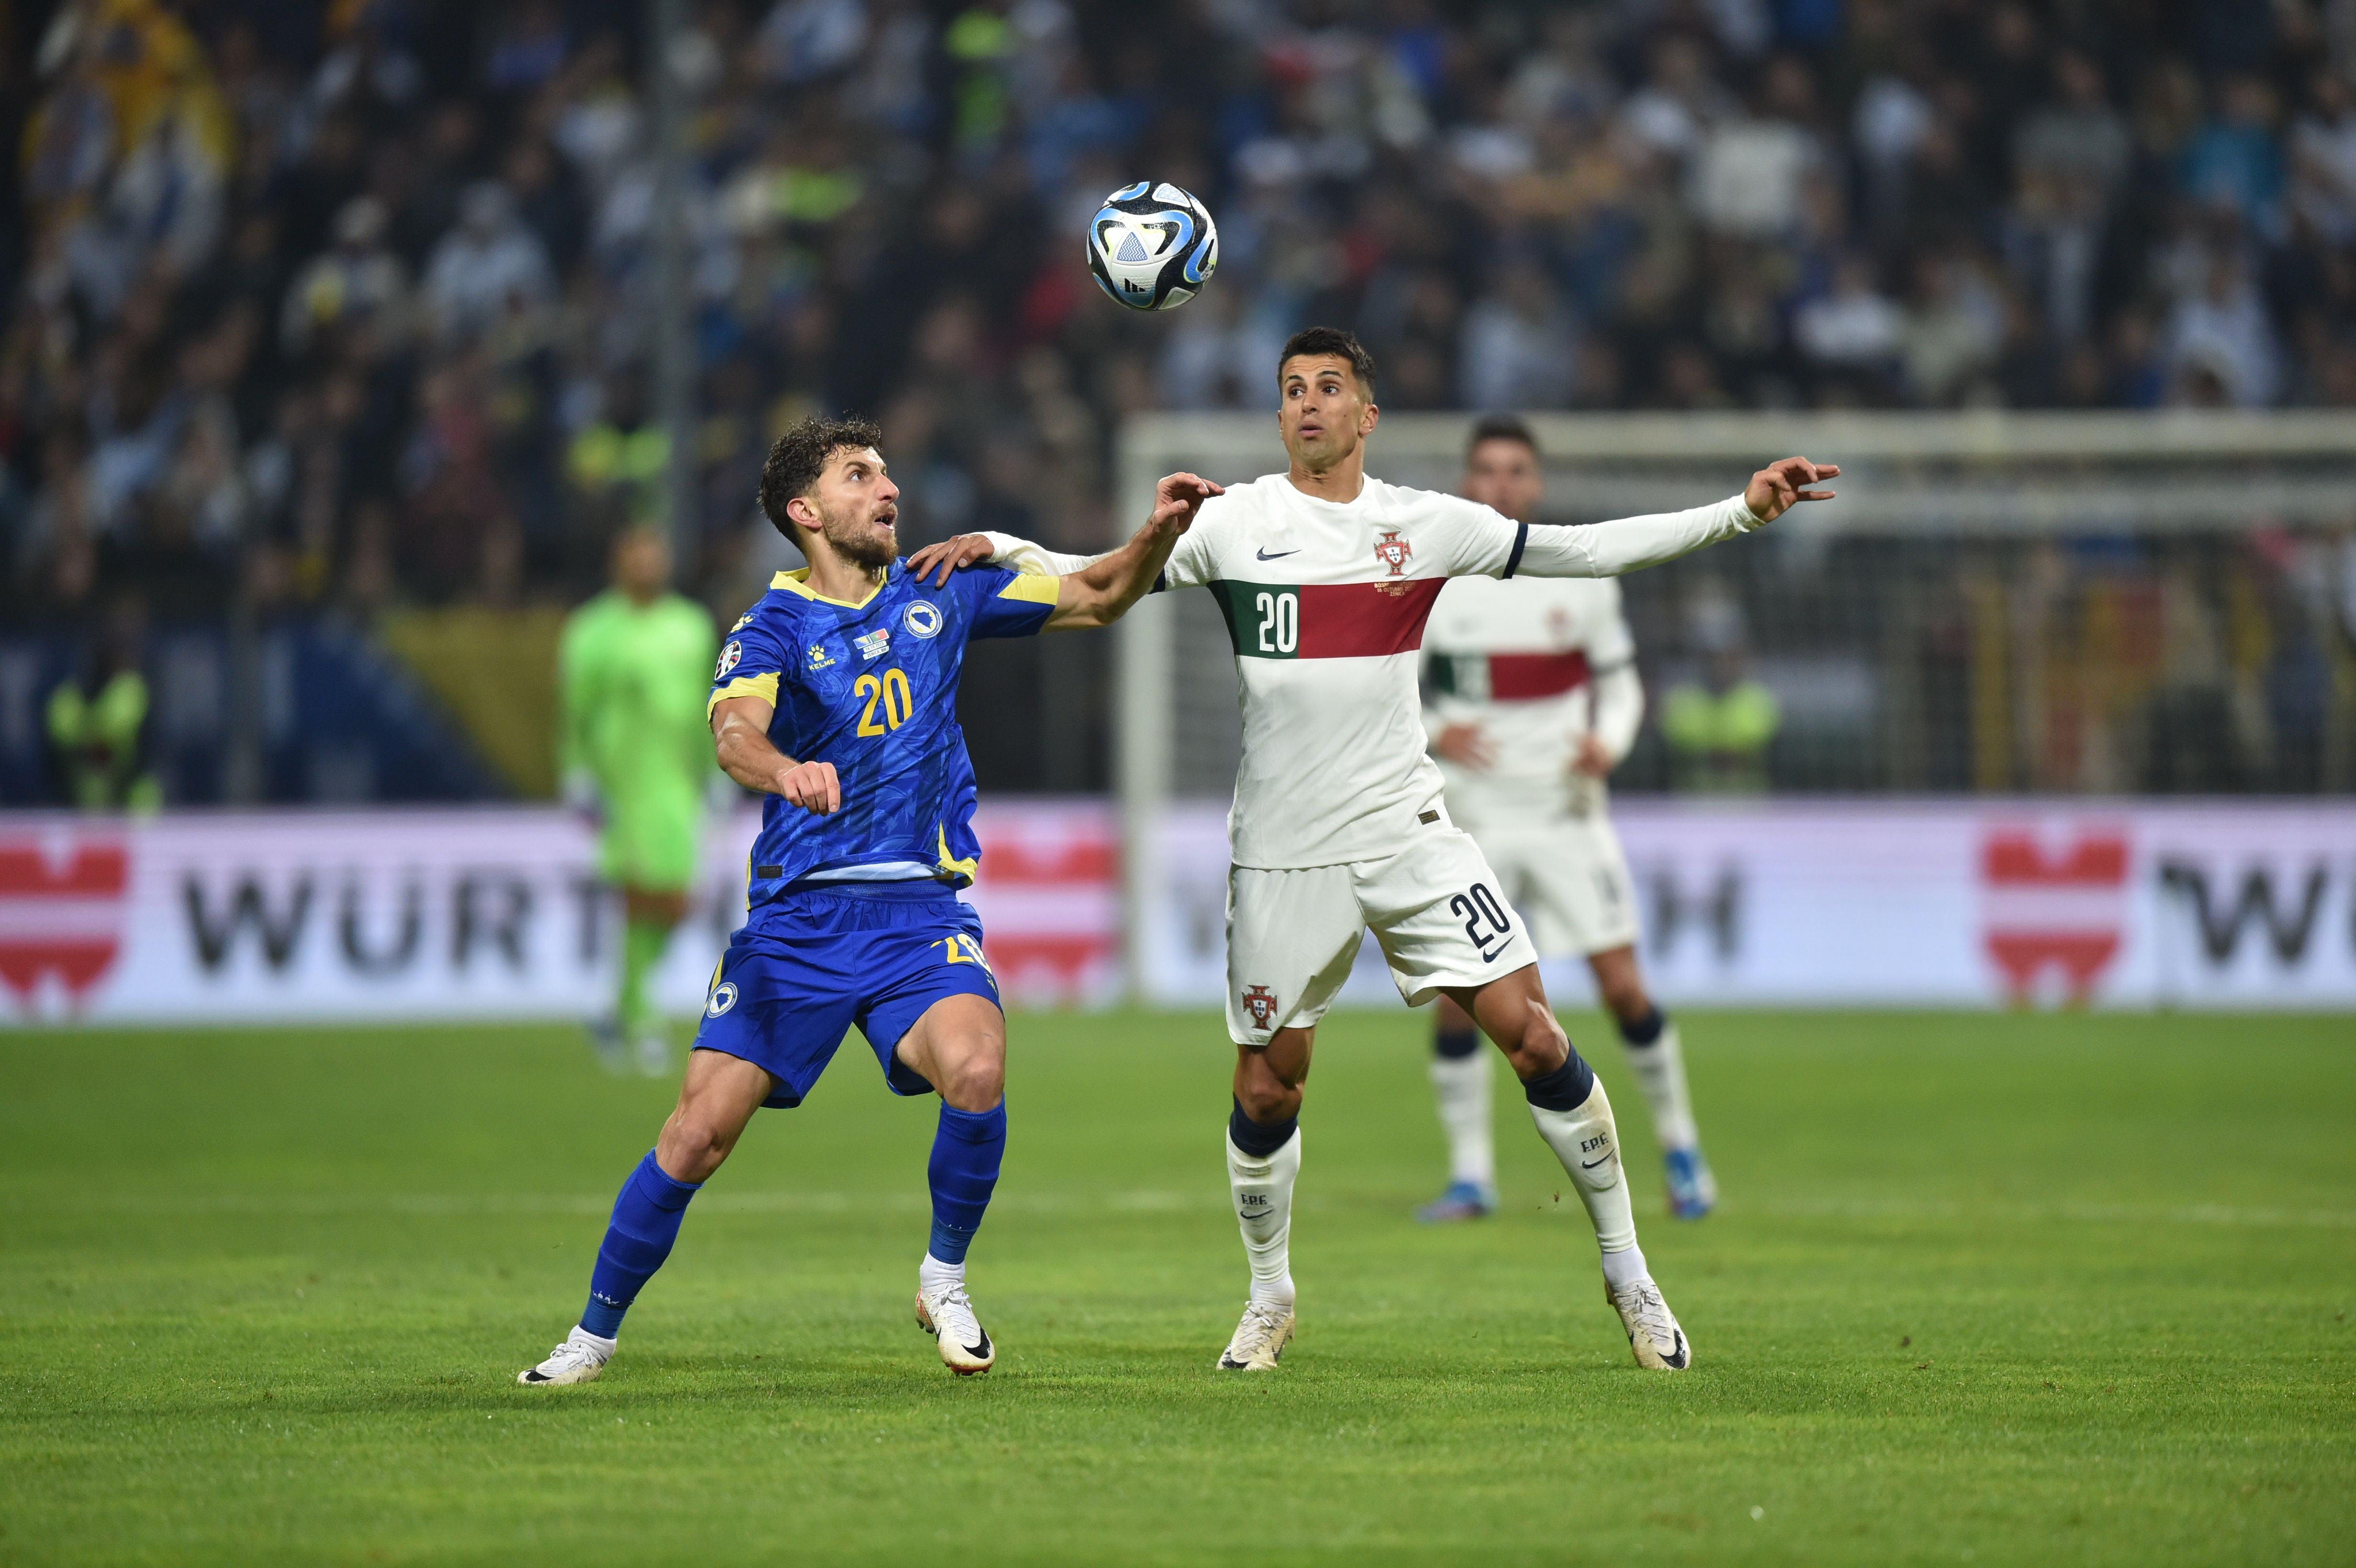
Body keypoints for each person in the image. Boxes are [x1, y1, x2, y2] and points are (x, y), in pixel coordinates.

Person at [910, 327, 1835, 1375]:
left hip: (1407, 830)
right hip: (1281, 851)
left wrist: (1741, 512)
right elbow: (1088, 579)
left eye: (1330, 388)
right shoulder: (1229, 522)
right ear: (1280, 416)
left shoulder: (1426, 524)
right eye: (1293, 390)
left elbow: (1585, 548)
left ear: (1366, 415)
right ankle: (1269, 1296)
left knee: (1532, 1034)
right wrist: (992, 542)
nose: (1309, 404)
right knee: (1268, 1087)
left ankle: (1629, 1271)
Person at [518, 415, 1216, 1386]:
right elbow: (732, 734)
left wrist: (1159, 533)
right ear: (807, 512)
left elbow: (1099, 595)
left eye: (886, 472)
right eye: (859, 475)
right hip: (798, 923)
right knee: (696, 1134)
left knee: (976, 1068)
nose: (887, 488)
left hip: (917, 916)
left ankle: (945, 1275)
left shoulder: (947, 585)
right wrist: (783, 768)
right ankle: (588, 1338)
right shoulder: (769, 626)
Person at [1417, 415, 1716, 1225]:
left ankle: (1681, 1151)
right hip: (1470, 818)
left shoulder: (1579, 578)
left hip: (1564, 812)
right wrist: (1439, 729)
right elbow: (1386, 690)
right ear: (1467, 481)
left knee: (1620, 987)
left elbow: (1620, 686)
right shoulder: (1437, 579)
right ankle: (1469, 1174)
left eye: (1516, 470)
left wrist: (1607, 741)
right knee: (1457, 999)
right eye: (1486, 469)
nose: (1502, 484)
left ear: (1536, 484)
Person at [557, 525, 720, 1075]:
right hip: (623, 782)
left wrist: (715, 769)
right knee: (638, 895)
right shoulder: (592, 631)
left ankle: (614, 1007)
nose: (649, 565)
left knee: (675, 902)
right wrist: (577, 771)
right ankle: (642, 1018)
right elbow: (576, 711)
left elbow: (707, 704)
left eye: (657, 555)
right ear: (618, 561)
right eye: (639, 556)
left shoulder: (691, 626)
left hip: (676, 784)